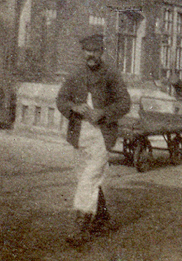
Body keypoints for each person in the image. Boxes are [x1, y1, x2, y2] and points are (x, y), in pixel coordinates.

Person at [56, 33, 131, 245]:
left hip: (102, 135)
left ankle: (80, 227)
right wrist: (73, 107)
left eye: (96, 51)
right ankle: (103, 218)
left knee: (88, 179)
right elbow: (61, 99)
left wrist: (104, 113)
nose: (91, 55)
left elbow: (125, 103)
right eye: (88, 51)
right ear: (83, 52)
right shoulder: (75, 74)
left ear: (101, 52)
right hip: (80, 135)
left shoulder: (111, 74)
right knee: (87, 178)